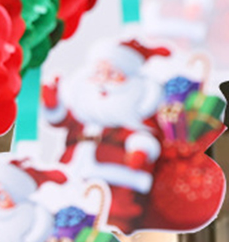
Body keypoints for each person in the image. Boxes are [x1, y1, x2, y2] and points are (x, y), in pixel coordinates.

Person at [43, 38, 170, 228]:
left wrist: (140, 152)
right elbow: (60, 120)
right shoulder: (82, 115)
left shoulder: (129, 118)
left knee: (110, 215)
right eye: (98, 73)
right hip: (71, 178)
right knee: (63, 209)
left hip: (113, 181)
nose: (103, 81)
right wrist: (53, 105)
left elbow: (142, 138)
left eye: (113, 74)